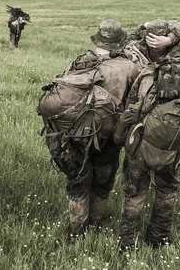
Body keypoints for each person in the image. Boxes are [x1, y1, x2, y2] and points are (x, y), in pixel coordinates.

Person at [114, 38, 180, 250]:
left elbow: (130, 104)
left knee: (134, 193)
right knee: (167, 192)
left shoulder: (148, 72)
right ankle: (159, 239)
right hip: (172, 150)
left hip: (139, 144)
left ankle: (127, 243)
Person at [49, 20, 140, 236]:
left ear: (98, 39)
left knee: (77, 183)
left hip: (76, 135)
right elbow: (135, 102)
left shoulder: (80, 61)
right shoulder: (128, 67)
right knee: (103, 182)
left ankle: (76, 230)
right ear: (119, 43)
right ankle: (95, 224)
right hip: (109, 138)